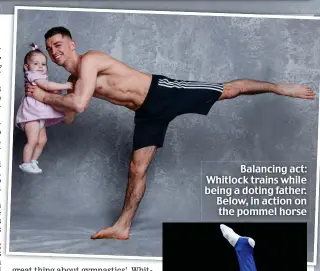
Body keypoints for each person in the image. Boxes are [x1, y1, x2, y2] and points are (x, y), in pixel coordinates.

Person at [25, 26, 316, 239]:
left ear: (72, 44)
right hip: (146, 114)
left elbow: (79, 103)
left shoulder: (89, 61)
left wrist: (46, 98)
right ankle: (122, 227)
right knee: (136, 169)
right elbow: (71, 116)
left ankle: (279, 87)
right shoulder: (72, 80)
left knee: (228, 91)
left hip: (162, 92)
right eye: (49, 49)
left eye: (58, 44)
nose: (54, 51)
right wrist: (38, 104)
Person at [16, 43, 75, 174]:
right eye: (36, 64)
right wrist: (65, 85)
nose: (40, 67)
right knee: (33, 140)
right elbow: (47, 86)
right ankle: (25, 163)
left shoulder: (41, 77)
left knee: (42, 140)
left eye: (43, 64)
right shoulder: (32, 75)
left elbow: (48, 91)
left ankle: (33, 161)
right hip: (31, 114)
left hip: (39, 115)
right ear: (27, 67)